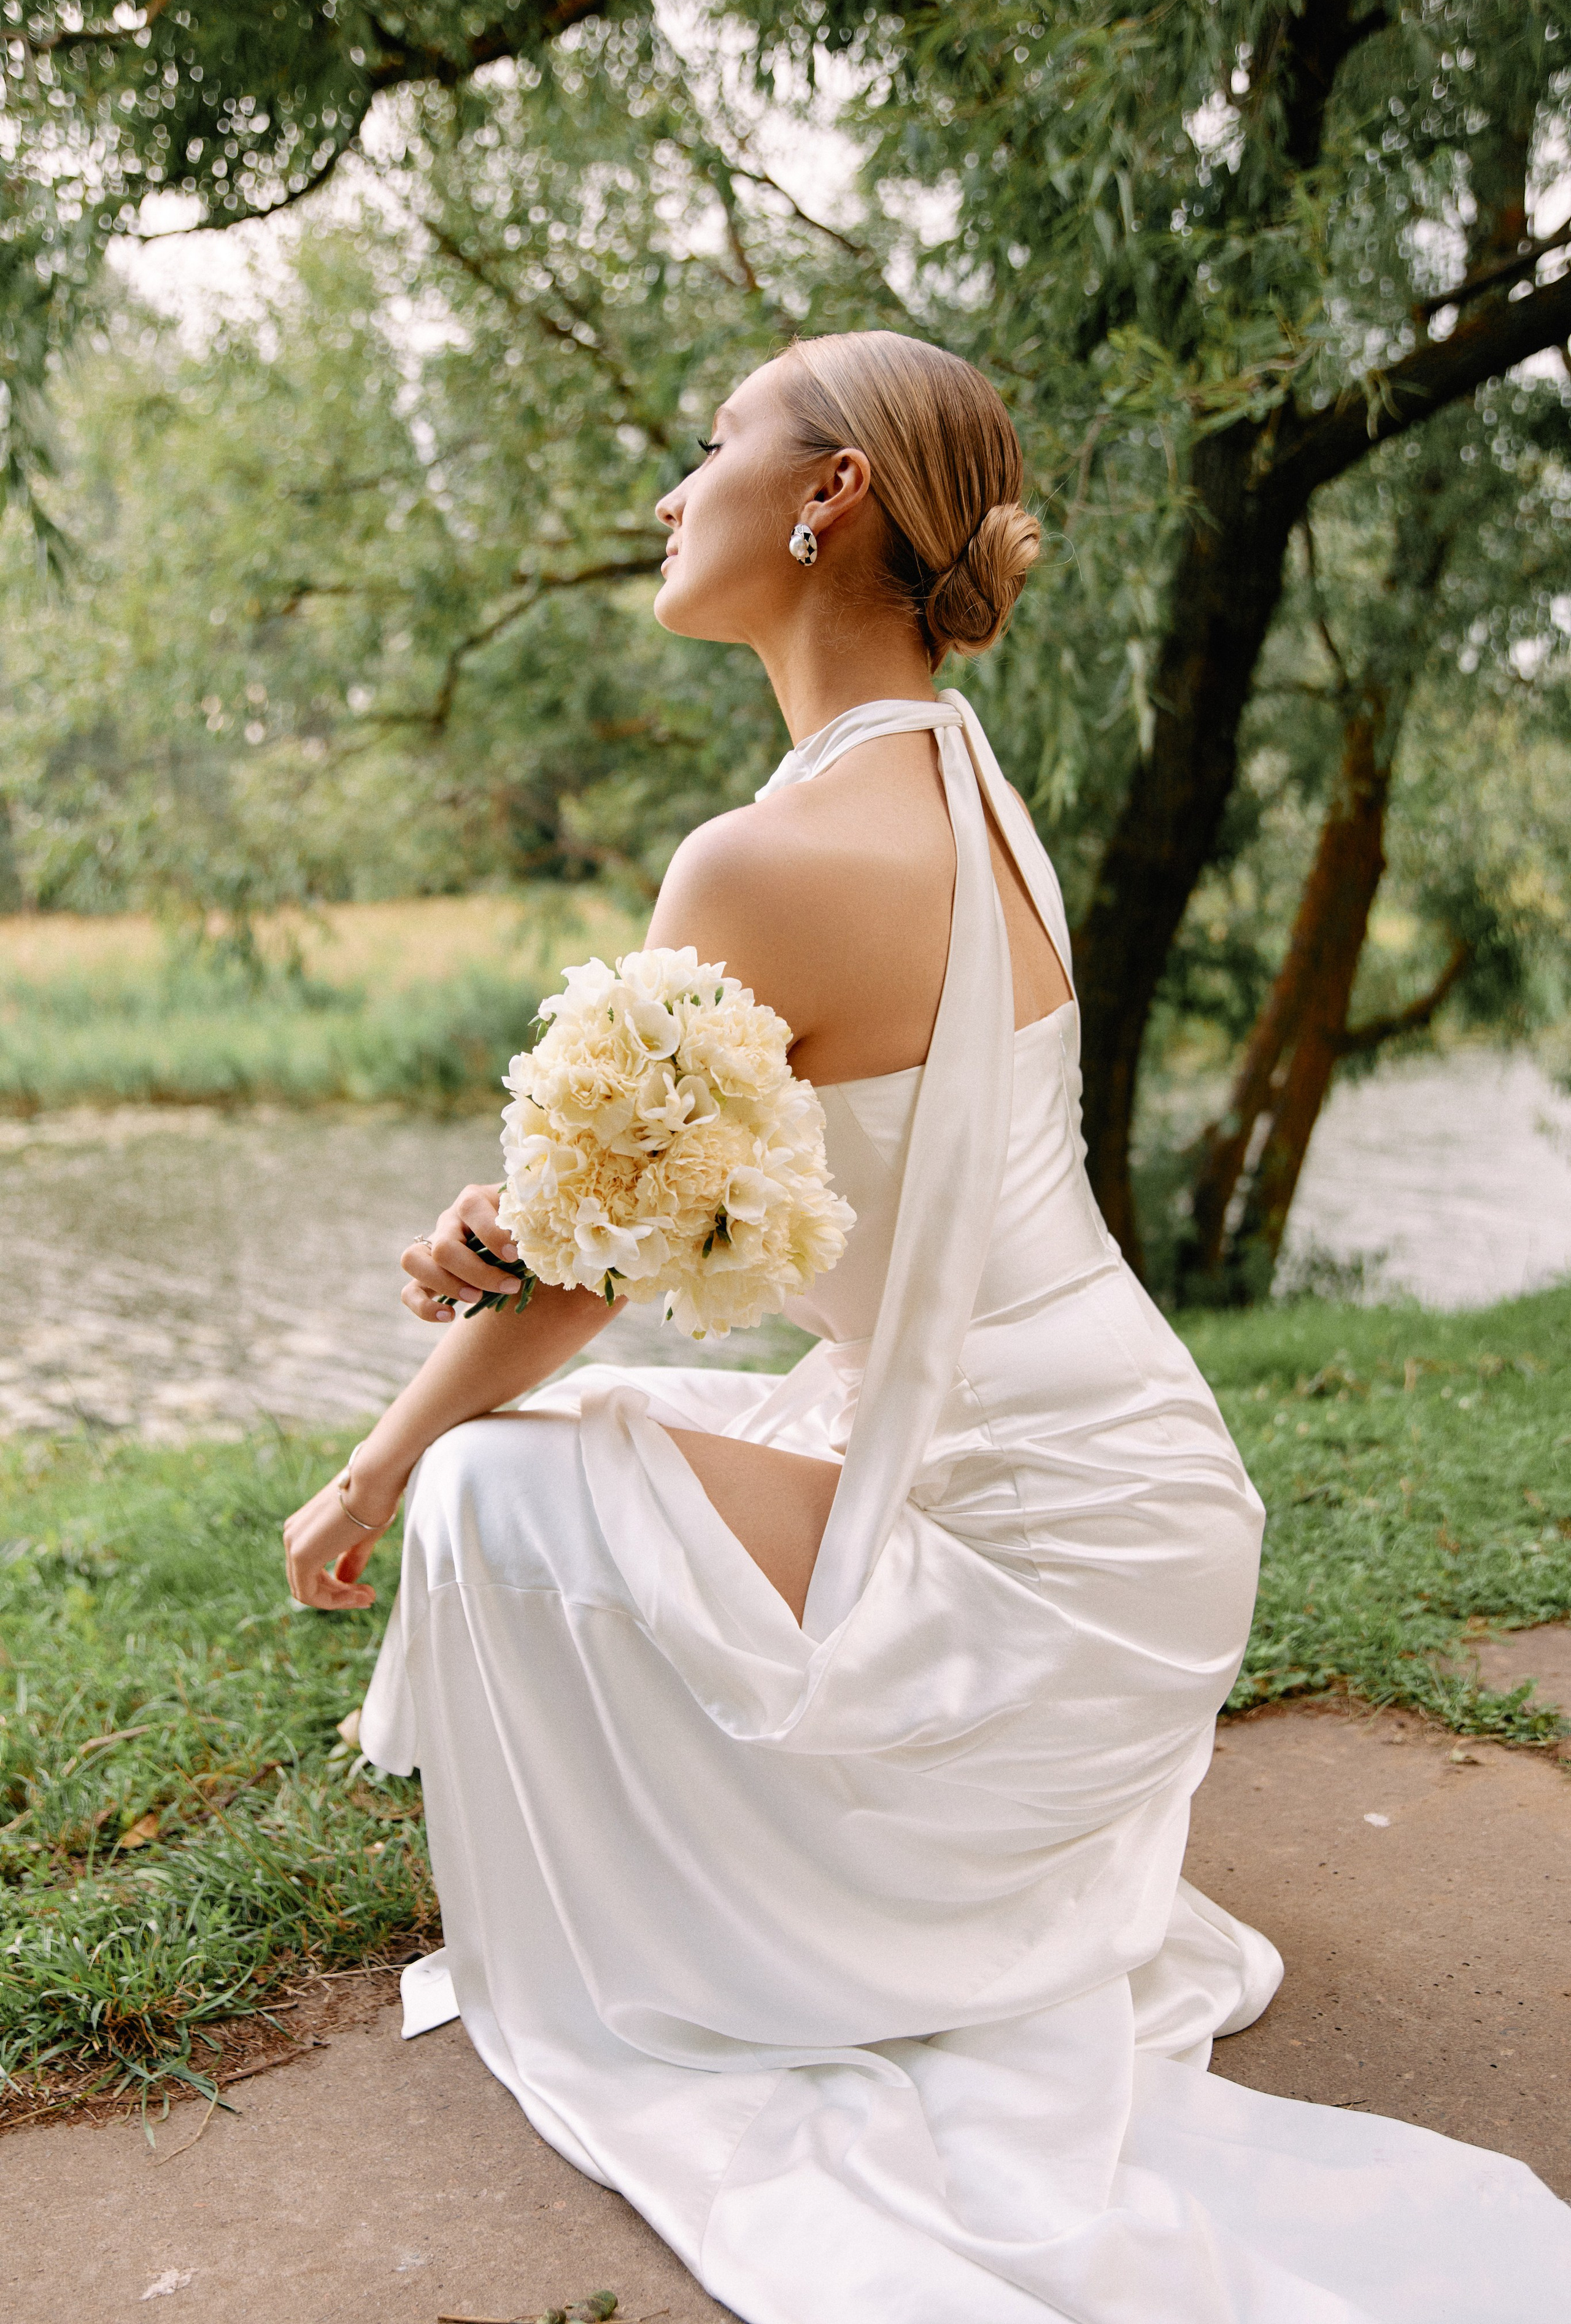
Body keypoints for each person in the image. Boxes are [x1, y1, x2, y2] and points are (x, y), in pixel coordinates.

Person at [282, 331, 1569, 2321]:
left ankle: (710, 1948)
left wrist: (378, 1463)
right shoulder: (967, 791)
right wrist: (531, 1216)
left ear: (832, 491)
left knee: (483, 1491)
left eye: (714, 441)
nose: (673, 490)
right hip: (1141, 1508)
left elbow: (608, 1267)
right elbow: (688, 1204)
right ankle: (790, 1884)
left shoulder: (762, 859)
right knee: (622, 1437)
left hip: (1039, 1542)